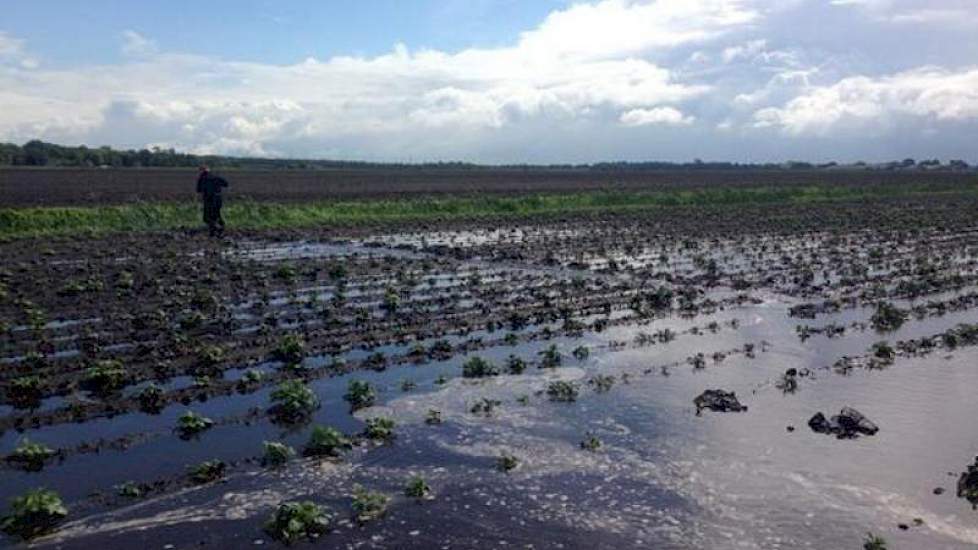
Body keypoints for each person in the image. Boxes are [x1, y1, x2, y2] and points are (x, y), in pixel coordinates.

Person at [195, 166, 229, 237]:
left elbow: (198, 190)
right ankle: (220, 227)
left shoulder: (202, 178)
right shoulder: (216, 177)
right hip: (218, 199)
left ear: (201, 171)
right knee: (216, 214)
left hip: (209, 200)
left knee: (207, 217)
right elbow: (226, 184)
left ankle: (214, 231)